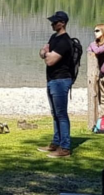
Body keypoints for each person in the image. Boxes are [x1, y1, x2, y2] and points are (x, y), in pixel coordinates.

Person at [38, 11, 73, 158]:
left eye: (55, 22)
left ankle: (65, 148)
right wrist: (45, 53)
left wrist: (46, 53)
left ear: (62, 23)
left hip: (61, 80)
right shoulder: (54, 37)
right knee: (55, 113)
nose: (52, 24)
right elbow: (42, 52)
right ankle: (56, 142)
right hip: (52, 79)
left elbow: (50, 60)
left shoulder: (65, 41)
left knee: (61, 114)